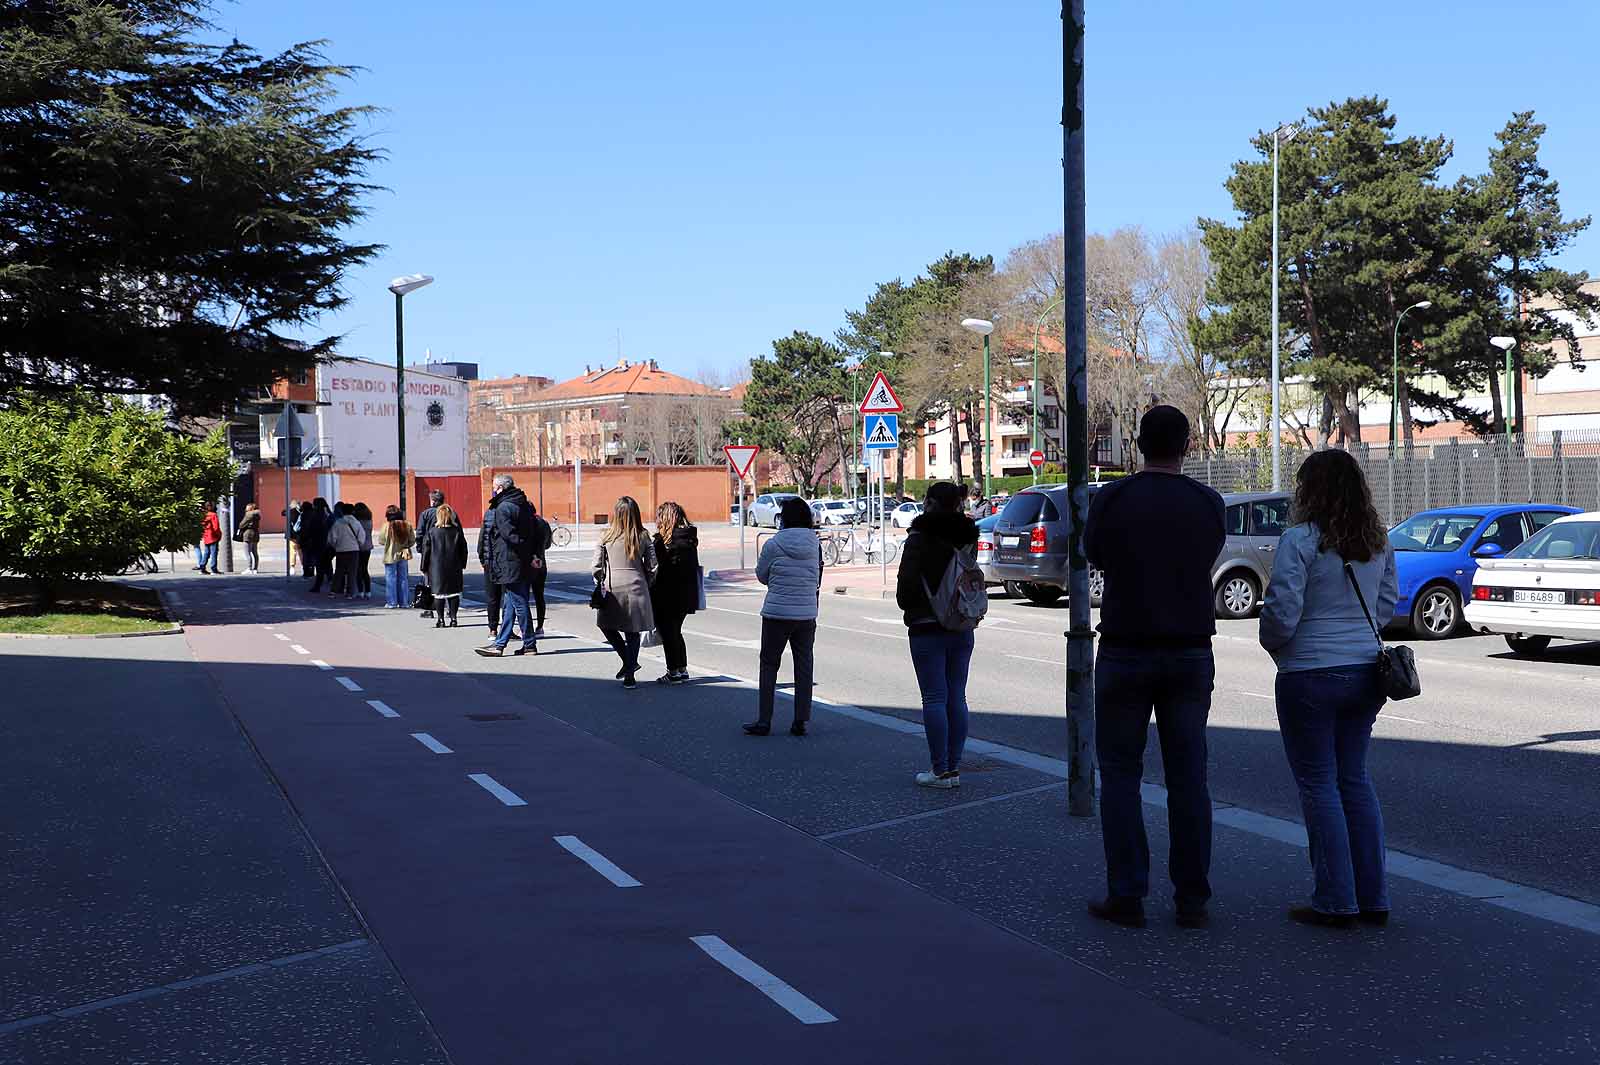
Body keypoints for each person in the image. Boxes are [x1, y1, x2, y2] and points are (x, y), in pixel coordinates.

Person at [1084, 405, 1226, 930]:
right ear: (1187, 445)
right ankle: (1193, 898)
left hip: (1125, 646)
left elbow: (1094, 553)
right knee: (1189, 777)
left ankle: (1127, 893)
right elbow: (1207, 554)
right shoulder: (1208, 503)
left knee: (1120, 774)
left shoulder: (1114, 497)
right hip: (1190, 649)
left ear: (1139, 444)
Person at [1259, 448, 1398, 930]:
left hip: (1309, 673)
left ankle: (1336, 900)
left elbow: (1281, 611)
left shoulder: (1299, 540)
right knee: (1355, 781)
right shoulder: (1377, 542)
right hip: (1363, 672)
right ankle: (1373, 895)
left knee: (1319, 786)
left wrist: (1277, 648)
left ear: (1308, 491)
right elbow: (1385, 605)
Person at [895, 481, 980, 787]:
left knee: (934, 697)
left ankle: (939, 769)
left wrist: (913, 606)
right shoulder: (969, 536)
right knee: (957, 696)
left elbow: (905, 589)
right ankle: (954, 768)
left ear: (930, 503)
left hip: (925, 625)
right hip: (961, 621)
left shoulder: (918, 539)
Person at [745, 496, 821, 736]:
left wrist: (777, 582)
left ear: (784, 519)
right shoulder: (815, 544)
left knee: (769, 665)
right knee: (804, 666)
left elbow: (761, 575)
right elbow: (817, 579)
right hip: (806, 613)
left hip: (776, 613)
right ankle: (801, 721)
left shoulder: (773, 544)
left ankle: (764, 720)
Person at [591, 496, 657, 689]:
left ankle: (627, 660)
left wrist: (600, 580)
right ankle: (630, 672)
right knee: (633, 631)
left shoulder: (606, 535)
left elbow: (596, 566)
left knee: (606, 625)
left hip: (613, 587)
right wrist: (647, 581)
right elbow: (653, 566)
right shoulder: (643, 535)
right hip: (637, 585)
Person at [476, 475, 541, 657]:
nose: (494, 491)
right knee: (510, 604)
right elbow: (534, 532)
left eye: (495, 488)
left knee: (519, 603)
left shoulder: (503, 508)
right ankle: (500, 643)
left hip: (510, 561)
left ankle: (529, 644)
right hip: (519, 561)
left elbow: (508, 536)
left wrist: (525, 551)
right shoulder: (523, 504)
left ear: (502, 488)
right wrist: (532, 553)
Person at [650, 501, 700, 684]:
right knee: (676, 631)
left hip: (667, 594)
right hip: (687, 594)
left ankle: (673, 671)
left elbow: (659, 569)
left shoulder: (664, 542)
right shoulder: (690, 538)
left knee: (668, 632)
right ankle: (682, 668)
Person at [420, 503, 468, 628]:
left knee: (438, 594)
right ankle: (453, 619)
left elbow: (426, 551)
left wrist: (424, 567)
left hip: (436, 567)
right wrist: (463, 563)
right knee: (454, 593)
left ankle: (440, 619)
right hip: (454, 566)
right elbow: (464, 549)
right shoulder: (456, 531)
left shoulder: (432, 532)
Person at [376, 505, 415, 609]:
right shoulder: (407, 525)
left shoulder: (386, 526)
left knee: (390, 579)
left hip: (390, 555)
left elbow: (381, 541)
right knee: (403, 578)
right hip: (403, 554)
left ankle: (392, 602)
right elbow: (412, 541)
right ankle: (404, 602)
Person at [326, 502, 363, 599]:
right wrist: (357, 545)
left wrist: (336, 546)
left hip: (341, 550)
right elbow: (361, 538)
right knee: (352, 572)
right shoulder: (357, 523)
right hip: (354, 550)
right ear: (353, 511)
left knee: (339, 571)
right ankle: (350, 593)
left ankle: (334, 591)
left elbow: (331, 538)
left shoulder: (337, 523)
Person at [416, 489, 444, 618]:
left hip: (429, 550)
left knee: (428, 580)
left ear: (433, 501)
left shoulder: (426, 514)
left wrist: (420, 548)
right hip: (445, 550)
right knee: (445, 579)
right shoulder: (448, 513)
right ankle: (448, 608)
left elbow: (420, 532)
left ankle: (429, 608)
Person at [529, 502, 553, 637]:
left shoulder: (526, 524)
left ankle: (525, 627)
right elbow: (548, 544)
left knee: (523, 597)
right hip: (541, 562)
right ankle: (540, 627)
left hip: (528, 564)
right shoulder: (543, 523)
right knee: (539, 596)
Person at [300, 498, 332, 593]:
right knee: (327, 563)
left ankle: (318, 585)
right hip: (327, 543)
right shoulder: (328, 515)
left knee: (319, 565)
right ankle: (330, 579)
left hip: (317, 543)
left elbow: (310, 530)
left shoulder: (315, 516)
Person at [352, 502, 375, 598]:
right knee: (365, 569)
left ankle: (360, 591)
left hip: (358, 547)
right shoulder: (369, 521)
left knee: (358, 569)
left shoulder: (356, 522)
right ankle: (368, 591)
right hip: (368, 547)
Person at [196, 505, 222, 573]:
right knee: (214, 553)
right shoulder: (213, 515)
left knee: (206, 552)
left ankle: (202, 567)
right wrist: (219, 535)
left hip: (206, 536)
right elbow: (216, 527)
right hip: (213, 536)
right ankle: (214, 569)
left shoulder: (204, 516)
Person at [236, 503, 262, 574]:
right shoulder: (257, 515)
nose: (245, 509)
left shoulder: (248, 515)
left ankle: (249, 568)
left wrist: (241, 525)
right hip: (256, 534)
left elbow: (241, 525)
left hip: (248, 534)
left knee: (247, 552)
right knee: (255, 552)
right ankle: (255, 568)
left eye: (247, 508)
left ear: (250, 508)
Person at [286, 500, 304, 576]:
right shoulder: (303, 512)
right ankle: (303, 567)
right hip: (300, 535)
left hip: (292, 535)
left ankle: (292, 567)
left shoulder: (290, 512)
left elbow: (283, 513)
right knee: (301, 551)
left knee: (292, 551)